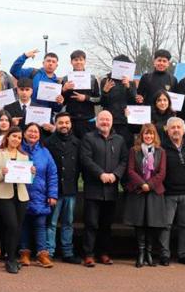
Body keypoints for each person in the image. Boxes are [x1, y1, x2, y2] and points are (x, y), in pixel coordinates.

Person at [79, 110, 129, 267]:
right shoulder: (88, 138)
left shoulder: (119, 140)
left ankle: (104, 253)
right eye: (102, 119)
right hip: (93, 188)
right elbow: (86, 159)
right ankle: (88, 254)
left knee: (106, 225)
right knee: (91, 224)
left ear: (112, 122)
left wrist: (116, 174)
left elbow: (124, 160)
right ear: (96, 122)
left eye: (108, 119)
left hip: (111, 189)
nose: (105, 122)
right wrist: (100, 174)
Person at [0, 126, 34, 274]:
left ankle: (10, 256)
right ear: (7, 137)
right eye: (14, 136)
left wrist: (32, 173)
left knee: (16, 228)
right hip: (4, 195)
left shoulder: (24, 156)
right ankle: (10, 260)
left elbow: (27, 180)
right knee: (12, 225)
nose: (16, 139)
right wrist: (2, 173)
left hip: (21, 195)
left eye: (19, 138)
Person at [124, 123, 170, 269]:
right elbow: (130, 171)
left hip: (154, 191)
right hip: (138, 190)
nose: (148, 136)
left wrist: (149, 185)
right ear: (141, 135)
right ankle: (141, 253)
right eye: (145, 134)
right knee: (139, 222)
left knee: (151, 223)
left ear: (154, 135)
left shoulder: (161, 151)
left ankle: (149, 253)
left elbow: (162, 173)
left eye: (151, 134)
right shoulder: (134, 150)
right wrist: (142, 184)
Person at [159, 117, 185, 266]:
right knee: (166, 225)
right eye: (173, 127)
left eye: (179, 127)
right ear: (167, 130)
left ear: (184, 130)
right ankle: (164, 255)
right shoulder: (161, 148)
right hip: (168, 193)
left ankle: (184, 255)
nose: (176, 130)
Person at [18, 124, 59, 268]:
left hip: (41, 195)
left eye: (36, 132)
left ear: (40, 135)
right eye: (30, 131)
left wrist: (52, 194)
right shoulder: (18, 149)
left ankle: (42, 254)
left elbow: (52, 174)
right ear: (24, 133)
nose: (33, 134)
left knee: (40, 225)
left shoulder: (45, 152)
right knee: (23, 224)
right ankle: (24, 254)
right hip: (21, 193)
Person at [43, 113, 81, 264]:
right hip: (54, 190)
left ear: (70, 124)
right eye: (60, 123)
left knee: (68, 223)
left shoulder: (77, 143)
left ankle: (67, 252)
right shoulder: (47, 143)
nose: (64, 125)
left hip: (71, 188)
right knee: (51, 223)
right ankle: (49, 252)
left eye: (67, 122)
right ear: (55, 124)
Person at [60, 50, 101, 139]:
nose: (78, 62)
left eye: (81, 59)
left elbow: (99, 100)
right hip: (71, 120)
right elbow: (61, 102)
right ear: (71, 62)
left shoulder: (92, 79)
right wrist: (64, 90)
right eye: (75, 60)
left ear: (85, 61)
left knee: (88, 147)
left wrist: (86, 98)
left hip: (88, 120)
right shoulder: (66, 79)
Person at [100, 55, 137, 147]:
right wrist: (105, 92)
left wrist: (128, 87)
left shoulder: (131, 82)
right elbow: (103, 103)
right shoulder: (106, 80)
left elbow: (134, 102)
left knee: (126, 148)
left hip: (126, 122)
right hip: (110, 122)